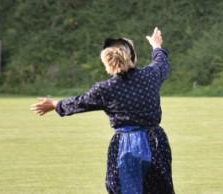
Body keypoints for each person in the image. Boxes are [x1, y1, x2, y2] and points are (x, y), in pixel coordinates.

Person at [30, 27, 175, 194]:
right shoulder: (150, 76)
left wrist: (56, 104)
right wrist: (157, 45)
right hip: (155, 141)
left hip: (124, 145)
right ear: (133, 58)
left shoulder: (105, 89)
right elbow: (161, 62)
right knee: (159, 189)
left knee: (125, 189)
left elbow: (79, 103)